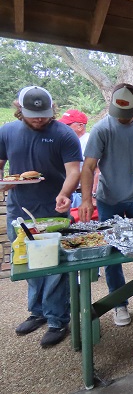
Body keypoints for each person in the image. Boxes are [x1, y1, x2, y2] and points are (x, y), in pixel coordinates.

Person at [0, 86, 82, 347]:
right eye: (33, 115)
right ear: (20, 110)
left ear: (52, 110)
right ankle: (37, 313)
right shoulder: (6, 132)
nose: (38, 119)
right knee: (29, 263)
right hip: (19, 211)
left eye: (43, 115)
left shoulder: (64, 134)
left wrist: (65, 194)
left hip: (53, 211)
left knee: (55, 268)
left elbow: (74, 171)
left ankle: (58, 319)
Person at [79, 83, 133, 327]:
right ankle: (119, 304)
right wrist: (86, 200)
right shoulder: (101, 129)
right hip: (108, 199)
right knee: (111, 252)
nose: (121, 117)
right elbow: (89, 167)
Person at [58, 109, 90, 208]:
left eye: (67, 125)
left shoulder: (88, 141)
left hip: (82, 194)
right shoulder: (67, 142)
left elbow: (97, 171)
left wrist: (92, 195)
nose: (64, 128)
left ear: (80, 126)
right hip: (70, 193)